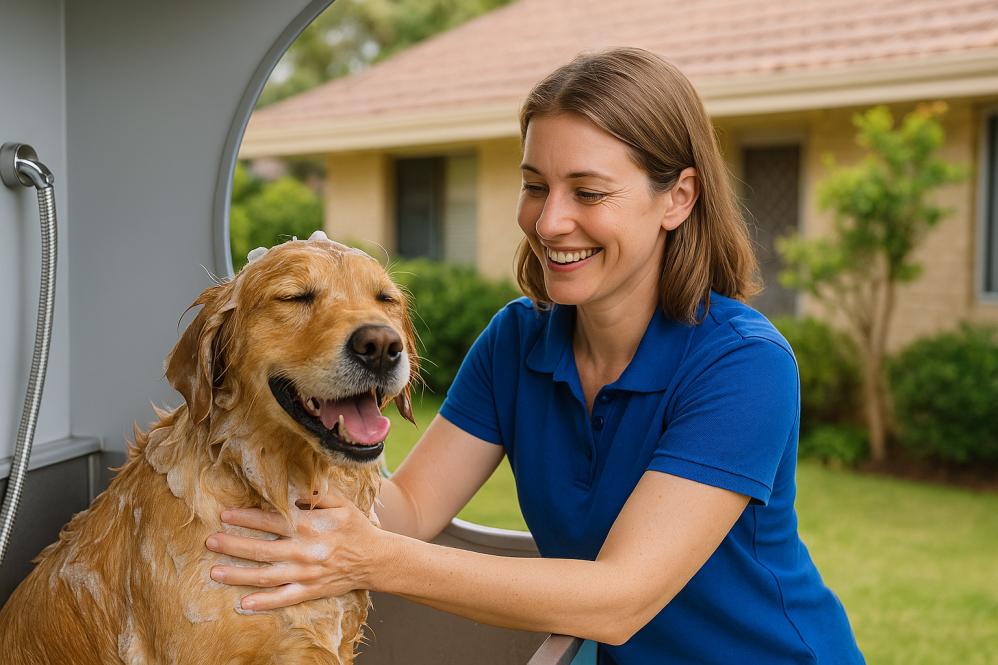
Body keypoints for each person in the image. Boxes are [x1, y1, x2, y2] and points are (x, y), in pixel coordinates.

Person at [205, 47, 866, 664]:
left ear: (678, 198)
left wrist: (369, 557)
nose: (549, 222)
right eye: (535, 185)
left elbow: (619, 599)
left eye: (588, 191)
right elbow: (407, 506)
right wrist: (271, 492)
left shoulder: (743, 365)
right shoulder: (517, 342)